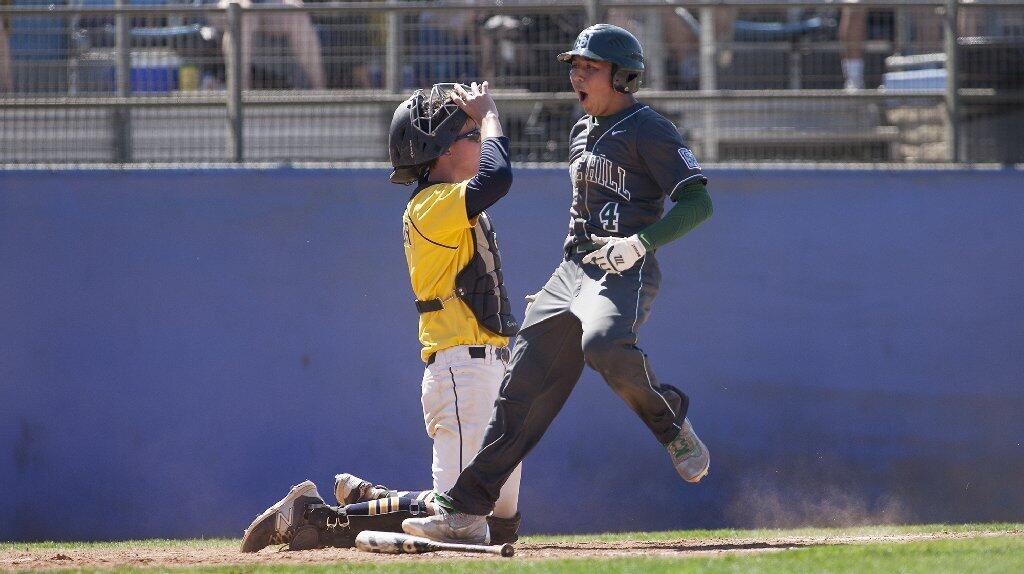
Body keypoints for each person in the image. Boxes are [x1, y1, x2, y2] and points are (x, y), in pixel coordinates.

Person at [402, 24, 714, 545]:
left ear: (623, 75)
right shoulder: (580, 131)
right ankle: (464, 508)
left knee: (604, 345)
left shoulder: (649, 127)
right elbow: (580, 219)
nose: (575, 75)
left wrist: (641, 243)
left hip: (624, 266)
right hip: (573, 271)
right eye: (574, 65)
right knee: (519, 388)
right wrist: (556, 294)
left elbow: (699, 202)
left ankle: (670, 422)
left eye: (588, 67)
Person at [238, 81, 523, 552]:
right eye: (471, 135)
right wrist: (490, 113)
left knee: (500, 521)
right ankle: (313, 517)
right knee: (460, 520)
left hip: (491, 370)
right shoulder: (429, 205)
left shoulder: (450, 205)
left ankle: (380, 501)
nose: (480, 142)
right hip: (462, 373)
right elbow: (499, 178)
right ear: (444, 149)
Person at [216, 0, 325, 89]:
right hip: (223, 5)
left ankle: (321, 94)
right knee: (243, 13)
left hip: (263, 4)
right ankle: (239, 97)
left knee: (296, 13)